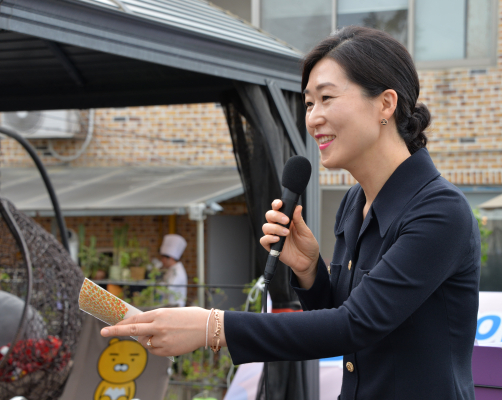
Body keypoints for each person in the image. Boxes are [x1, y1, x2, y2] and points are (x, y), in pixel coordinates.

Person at [101, 26, 480, 399]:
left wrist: (212, 326)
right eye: (309, 103)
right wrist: (309, 270)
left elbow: (356, 324)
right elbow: (341, 319)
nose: (312, 118)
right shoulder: (354, 203)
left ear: (385, 103)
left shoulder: (440, 211)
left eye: (326, 98)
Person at [159, 234, 188, 307]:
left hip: (176, 307)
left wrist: (157, 286)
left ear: (171, 258)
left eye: (163, 258)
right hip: (168, 306)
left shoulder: (178, 272)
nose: (162, 261)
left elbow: (169, 289)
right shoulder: (171, 269)